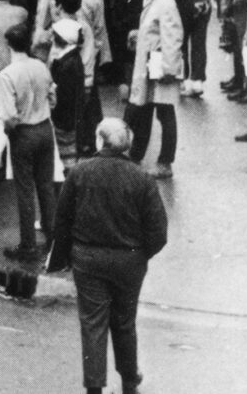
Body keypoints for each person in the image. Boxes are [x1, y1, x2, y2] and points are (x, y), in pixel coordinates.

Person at [47, 118, 168, 394]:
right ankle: (129, 382)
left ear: (101, 140)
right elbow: (158, 232)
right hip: (129, 262)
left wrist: (64, 258)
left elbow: (62, 221)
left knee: (93, 324)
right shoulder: (142, 178)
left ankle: (94, 387)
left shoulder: (79, 172)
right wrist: (139, 255)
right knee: (125, 322)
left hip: (88, 260)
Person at [0, 21, 58, 264]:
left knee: (24, 190)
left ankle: (28, 245)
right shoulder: (41, 66)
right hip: (45, 128)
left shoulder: (7, 74)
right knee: (46, 186)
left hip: (23, 132)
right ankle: (53, 239)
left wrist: (9, 131)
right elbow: (52, 97)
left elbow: (9, 116)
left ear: (8, 45)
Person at [125, 0, 183, 178]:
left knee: (164, 111)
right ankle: (136, 154)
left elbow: (173, 37)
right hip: (152, 60)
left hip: (160, 63)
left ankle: (165, 162)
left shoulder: (165, 2)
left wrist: (169, 70)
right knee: (145, 107)